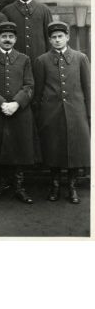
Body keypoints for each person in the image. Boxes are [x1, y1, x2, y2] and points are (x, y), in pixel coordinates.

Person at [33, 21, 91, 204]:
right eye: (54, 37)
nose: (57, 40)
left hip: (76, 111)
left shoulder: (80, 58)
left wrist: (89, 113)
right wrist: (39, 114)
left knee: (75, 150)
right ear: (49, 40)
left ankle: (72, 187)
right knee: (53, 148)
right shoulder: (41, 61)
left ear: (67, 37)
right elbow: (38, 90)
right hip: (51, 112)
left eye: (60, 36)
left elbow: (88, 87)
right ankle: (55, 185)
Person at [0, 22, 36, 203]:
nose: (7, 40)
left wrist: (16, 103)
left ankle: (19, 186)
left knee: (19, 148)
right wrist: (1, 103)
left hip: (19, 112)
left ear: (16, 39)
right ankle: (1, 183)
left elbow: (29, 85)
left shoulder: (24, 59)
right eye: (4, 36)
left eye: (11, 37)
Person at [1, 0, 52, 64]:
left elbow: (49, 37)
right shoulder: (8, 10)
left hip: (39, 59)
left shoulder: (44, 10)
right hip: (15, 60)